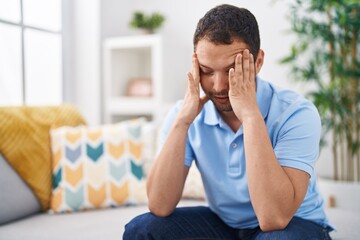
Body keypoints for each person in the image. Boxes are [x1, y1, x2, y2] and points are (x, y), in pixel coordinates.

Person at [123, 4, 333, 239]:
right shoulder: (185, 114)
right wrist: (182, 122)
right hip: (225, 225)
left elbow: (274, 217)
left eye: (232, 70)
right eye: (206, 70)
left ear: (258, 62)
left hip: (292, 224)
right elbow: (159, 205)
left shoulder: (296, 114)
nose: (219, 86)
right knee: (141, 230)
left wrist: (251, 117)